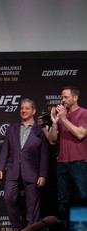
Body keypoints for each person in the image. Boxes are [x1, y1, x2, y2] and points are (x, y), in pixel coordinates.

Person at [0, 99, 50, 231]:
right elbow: (5, 150)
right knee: (8, 197)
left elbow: (44, 154)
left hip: (32, 171)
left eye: (26, 108)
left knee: (32, 205)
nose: (23, 111)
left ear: (34, 111)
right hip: (13, 171)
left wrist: (43, 174)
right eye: (22, 108)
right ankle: (18, 229)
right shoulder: (11, 129)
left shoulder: (41, 130)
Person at [46, 86, 87, 220]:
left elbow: (80, 134)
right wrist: (55, 124)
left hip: (79, 162)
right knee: (63, 200)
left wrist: (63, 119)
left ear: (75, 98)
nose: (63, 100)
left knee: (82, 197)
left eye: (66, 97)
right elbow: (52, 140)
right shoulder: (62, 117)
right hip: (62, 163)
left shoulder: (83, 113)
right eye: (62, 97)